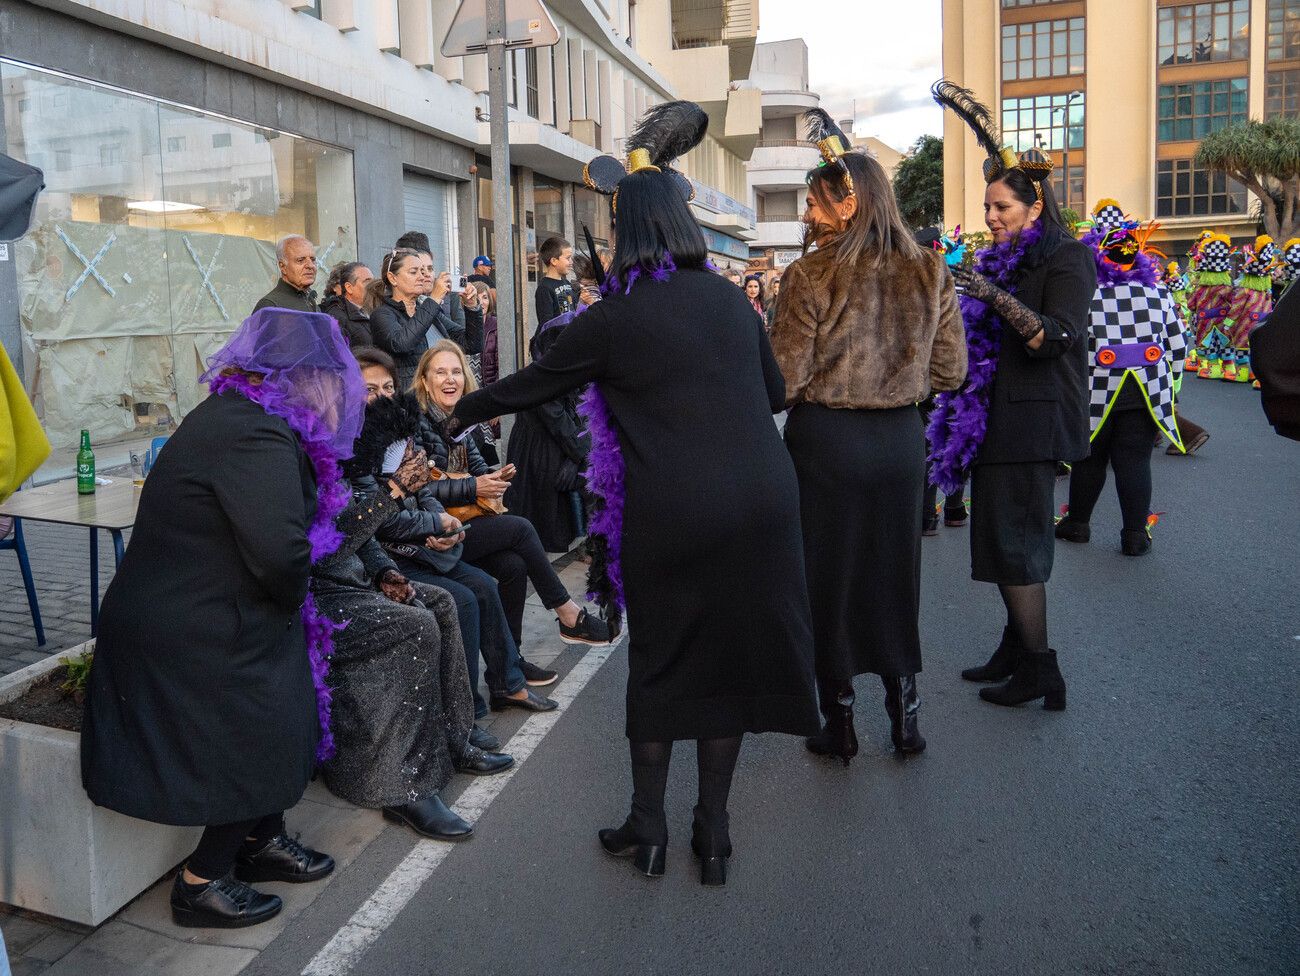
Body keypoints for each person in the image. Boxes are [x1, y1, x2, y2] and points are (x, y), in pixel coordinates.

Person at [452, 101, 819, 887]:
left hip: (675, 510)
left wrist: (458, 409)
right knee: (727, 664)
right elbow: (777, 395)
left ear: (629, 233)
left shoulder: (615, 316)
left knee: (661, 663)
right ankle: (712, 835)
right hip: (763, 504)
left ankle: (647, 828)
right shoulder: (729, 299)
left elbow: (530, 384)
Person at [81, 308, 365, 929]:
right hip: (191, 624)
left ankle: (260, 841)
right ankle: (202, 881)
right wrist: (296, 601)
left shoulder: (244, 415)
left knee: (284, 714)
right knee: (267, 726)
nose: (343, 392)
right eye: (331, 378)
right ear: (302, 378)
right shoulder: (254, 433)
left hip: (205, 605)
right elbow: (279, 553)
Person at [772, 112, 966, 764]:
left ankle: (841, 724)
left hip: (825, 445)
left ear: (848, 200)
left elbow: (785, 380)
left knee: (828, 582)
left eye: (814, 199)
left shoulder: (810, 275)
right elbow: (951, 371)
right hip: (898, 444)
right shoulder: (930, 269)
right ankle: (905, 717)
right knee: (893, 579)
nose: (807, 209)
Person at [929, 81, 1097, 711]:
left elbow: (1054, 337)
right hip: (998, 422)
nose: (991, 218)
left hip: (1033, 426)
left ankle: (1042, 673)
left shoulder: (1069, 258)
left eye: (1001, 208)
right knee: (1000, 540)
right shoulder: (1007, 260)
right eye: (988, 207)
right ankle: (1015, 649)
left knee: (1019, 546)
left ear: (1033, 206)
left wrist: (990, 294)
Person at [311, 396, 507, 841]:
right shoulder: (307, 456)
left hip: (359, 579)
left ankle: (455, 739)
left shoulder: (346, 451)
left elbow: (366, 538)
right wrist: (393, 491)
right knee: (416, 624)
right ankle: (408, 785)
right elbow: (334, 545)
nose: (374, 394)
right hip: (322, 595)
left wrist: (386, 571)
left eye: (384, 385)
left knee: (440, 602)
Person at [353, 346, 556, 722]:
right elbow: (378, 518)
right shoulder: (357, 444)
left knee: (494, 577)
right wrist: (442, 519)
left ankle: (508, 681)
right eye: (369, 389)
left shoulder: (416, 427)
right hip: (388, 554)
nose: (380, 397)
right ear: (424, 383)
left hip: (429, 539)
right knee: (466, 593)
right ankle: (467, 714)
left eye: (386, 388)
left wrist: (448, 520)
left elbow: (427, 489)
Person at [413, 340, 613, 678]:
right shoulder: (417, 422)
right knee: (521, 529)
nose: (450, 380)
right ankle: (567, 613)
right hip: (429, 531)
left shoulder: (462, 419)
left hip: (462, 521)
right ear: (424, 381)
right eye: (440, 373)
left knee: (513, 564)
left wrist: (493, 478)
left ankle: (508, 667)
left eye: (456, 372)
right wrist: (474, 486)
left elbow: (477, 471)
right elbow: (417, 487)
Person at [1054, 201, 1188, 557]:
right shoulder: (1160, 293)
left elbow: (1073, 344)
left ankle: (1078, 524)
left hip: (1096, 390)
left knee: (1090, 458)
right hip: (1146, 391)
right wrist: (1172, 387)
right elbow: (1177, 344)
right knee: (1134, 460)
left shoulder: (1089, 294)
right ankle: (1134, 535)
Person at [510, 239, 590, 554]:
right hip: (538, 456)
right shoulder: (545, 373)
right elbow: (558, 418)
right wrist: (585, 452)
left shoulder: (568, 367)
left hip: (552, 449)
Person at [367, 248, 483, 390]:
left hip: (441, 396)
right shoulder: (382, 314)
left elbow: (471, 344)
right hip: (410, 401)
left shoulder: (428, 310)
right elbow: (401, 344)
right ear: (393, 278)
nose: (422, 277)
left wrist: (472, 307)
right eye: (413, 272)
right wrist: (433, 300)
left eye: (423, 272)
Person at [254, 235, 319, 313]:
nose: (310, 265)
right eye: (300, 260)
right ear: (283, 266)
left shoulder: (311, 301)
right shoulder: (270, 306)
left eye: (313, 260)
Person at [321, 261, 374, 346]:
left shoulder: (375, 309)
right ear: (349, 288)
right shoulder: (337, 317)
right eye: (367, 282)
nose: (373, 286)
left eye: (373, 281)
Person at [535, 236, 577, 325]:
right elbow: (546, 324)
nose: (571, 262)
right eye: (568, 258)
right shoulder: (544, 288)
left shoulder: (567, 283)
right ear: (554, 261)